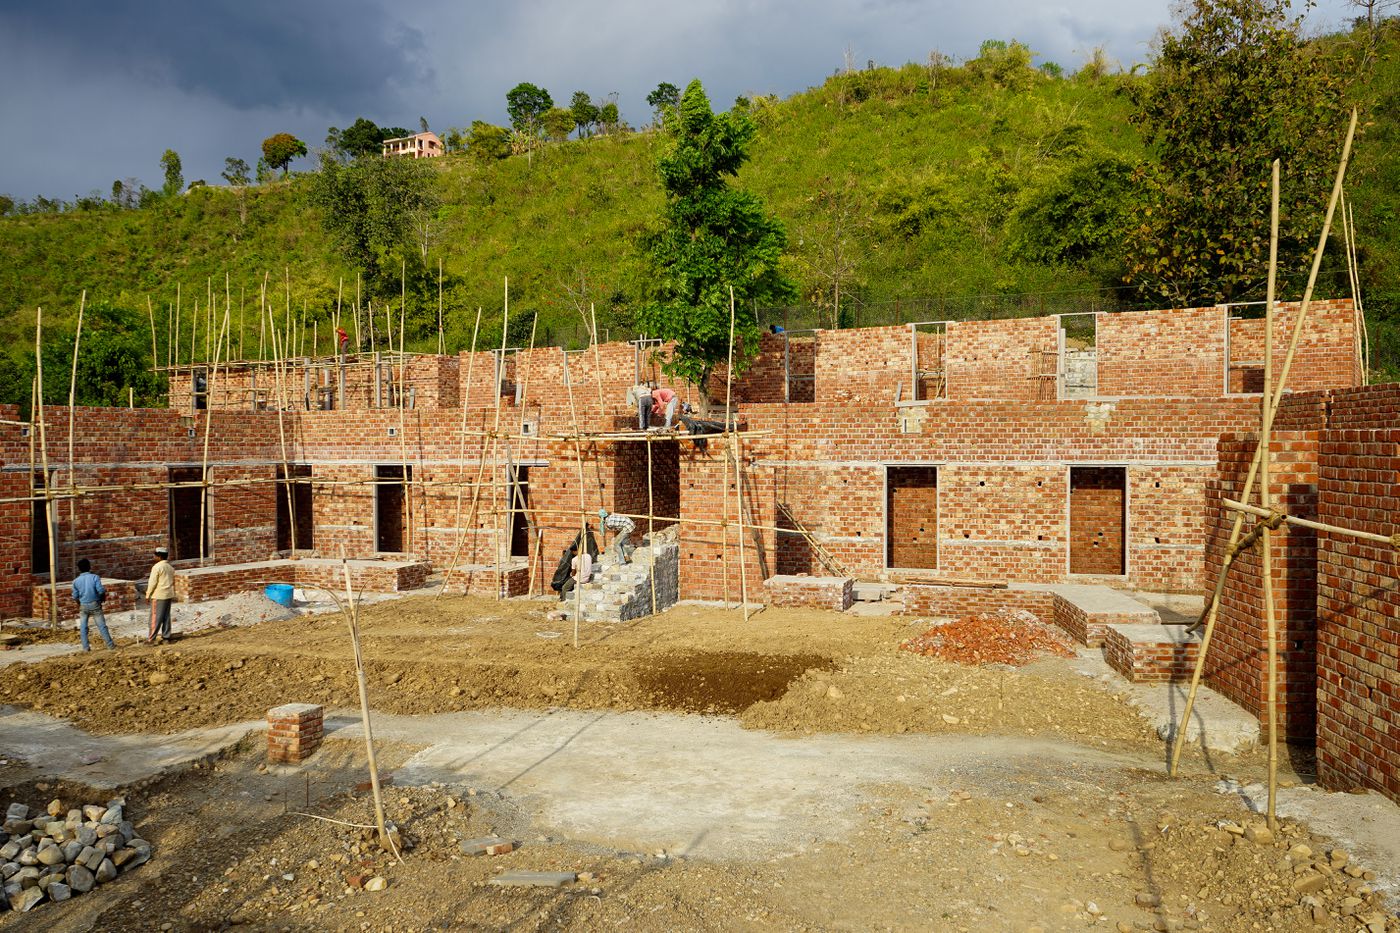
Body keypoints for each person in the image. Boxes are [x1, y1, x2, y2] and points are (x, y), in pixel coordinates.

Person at [70, 558, 116, 651]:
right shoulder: (95, 577)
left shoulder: (75, 581)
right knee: (102, 626)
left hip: (83, 605)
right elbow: (101, 590)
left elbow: (75, 596)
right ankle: (110, 645)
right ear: (89, 567)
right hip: (95, 604)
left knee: (83, 627)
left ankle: (86, 648)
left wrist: (79, 604)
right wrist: (102, 598)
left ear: (79, 569)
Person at [146, 546, 175, 645]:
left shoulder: (157, 567)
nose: (153, 557)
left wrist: (147, 595)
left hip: (159, 595)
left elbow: (152, 583)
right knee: (166, 617)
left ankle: (151, 639)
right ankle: (166, 638)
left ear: (159, 556)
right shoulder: (170, 567)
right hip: (168, 594)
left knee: (155, 618)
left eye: (155, 555)